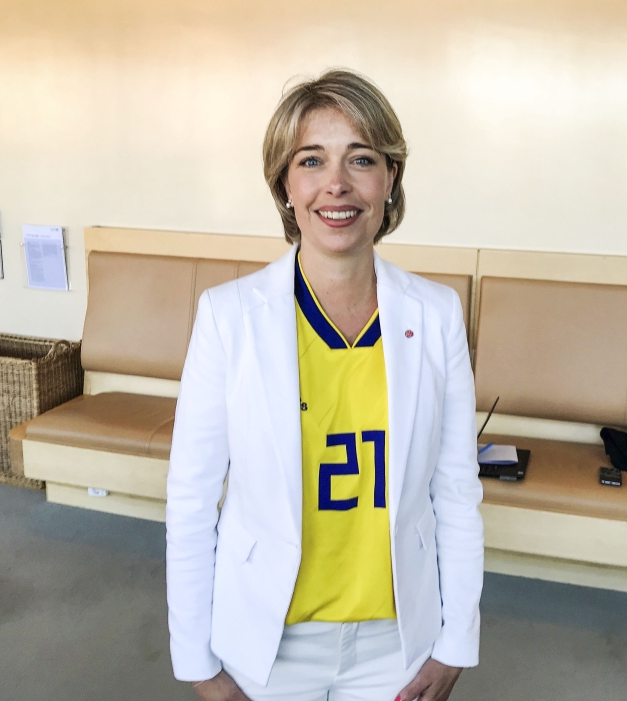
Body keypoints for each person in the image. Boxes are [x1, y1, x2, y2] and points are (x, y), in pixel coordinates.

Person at [166, 69, 484, 701]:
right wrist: (197, 663)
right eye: (311, 160)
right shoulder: (228, 317)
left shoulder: (436, 314)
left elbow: (455, 490)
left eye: (361, 159)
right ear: (285, 185)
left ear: (389, 178)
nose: (336, 183)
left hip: (398, 640)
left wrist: (455, 641)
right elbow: (192, 500)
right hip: (269, 640)